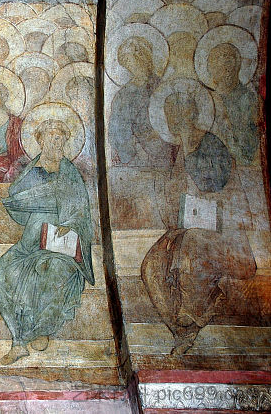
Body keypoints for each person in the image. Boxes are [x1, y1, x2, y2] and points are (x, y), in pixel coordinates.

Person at [141, 92, 254, 355]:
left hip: (221, 231)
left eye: (180, 112)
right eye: (170, 114)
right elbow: (172, 198)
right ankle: (179, 329)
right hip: (184, 229)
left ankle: (192, 314)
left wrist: (197, 211)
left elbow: (219, 190)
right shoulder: (176, 151)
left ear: (192, 114)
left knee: (192, 250)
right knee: (152, 265)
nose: (175, 119)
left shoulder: (211, 145)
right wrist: (174, 218)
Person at [0, 118, 94, 365]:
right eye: (51, 138)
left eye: (60, 139)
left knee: (48, 269)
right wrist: (29, 201)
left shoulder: (69, 173)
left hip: (60, 245)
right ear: (41, 141)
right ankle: (17, 341)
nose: (56, 143)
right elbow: (16, 200)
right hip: (29, 244)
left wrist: (69, 224)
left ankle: (42, 330)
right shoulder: (31, 169)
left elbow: (82, 212)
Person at [108, 37, 175, 168]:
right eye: (127, 60)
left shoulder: (163, 87)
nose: (133, 63)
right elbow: (116, 131)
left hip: (163, 152)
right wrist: (136, 147)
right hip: (134, 157)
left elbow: (174, 120)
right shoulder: (123, 95)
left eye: (140, 55)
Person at [207, 43, 258, 165]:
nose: (225, 70)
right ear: (211, 69)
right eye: (219, 66)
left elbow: (250, 138)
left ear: (237, 66)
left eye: (228, 63)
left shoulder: (248, 98)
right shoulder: (207, 98)